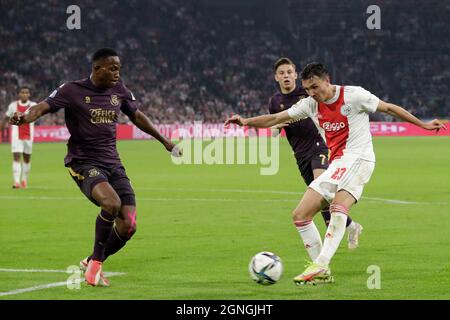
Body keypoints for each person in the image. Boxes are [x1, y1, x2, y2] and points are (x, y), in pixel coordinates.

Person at [225, 62, 446, 285]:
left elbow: (388, 108)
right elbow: (275, 119)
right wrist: (245, 121)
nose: (312, 93)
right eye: (308, 89)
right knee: (300, 215)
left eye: (315, 87)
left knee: (338, 207)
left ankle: (321, 264)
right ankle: (323, 272)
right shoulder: (311, 104)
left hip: (360, 158)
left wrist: (423, 125)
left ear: (326, 80)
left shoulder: (354, 95)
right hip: (339, 162)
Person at [10, 48, 181, 287]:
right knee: (111, 203)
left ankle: (90, 260)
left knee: (129, 224)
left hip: (113, 163)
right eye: (112, 68)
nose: (116, 73)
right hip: (83, 162)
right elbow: (43, 106)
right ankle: (95, 267)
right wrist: (26, 117)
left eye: (119, 68)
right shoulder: (71, 90)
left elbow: (138, 116)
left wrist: (165, 142)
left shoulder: (119, 90)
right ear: (97, 68)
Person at [269, 57, 363, 251]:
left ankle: (327, 251)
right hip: (300, 155)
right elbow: (274, 126)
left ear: (295, 75)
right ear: (276, 77)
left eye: (289, 72)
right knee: (321, 201)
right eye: (281, 73)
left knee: (324, 191)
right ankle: (351, 226)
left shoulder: (308, 92)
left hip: (319, 147)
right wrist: (276, 128)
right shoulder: (275, 101)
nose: (286, 76)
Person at [0, 87, 37, 188]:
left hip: (29, 136)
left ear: (29, 94)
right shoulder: (13, 105)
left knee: (26, 159)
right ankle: (16, 182)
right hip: (16, 136)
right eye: (22, 92)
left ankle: (24, 180)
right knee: (16, 158)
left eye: (26, 92)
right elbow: (6, 118)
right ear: (19, 94)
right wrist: (1, 128)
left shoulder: (33, 105)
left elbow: (37, 115)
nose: (24, 94)